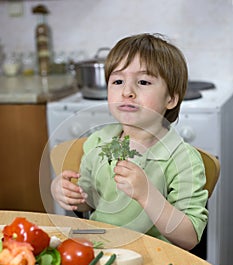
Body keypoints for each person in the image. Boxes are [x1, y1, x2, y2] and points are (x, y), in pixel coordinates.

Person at [51, 33, 208, 250]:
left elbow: (189, 238)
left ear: (171, 98)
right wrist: (69, 194)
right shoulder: (99, 141)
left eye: (143, 82)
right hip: (100, 248)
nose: (127, 92)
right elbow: (90, 200)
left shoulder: (183, 158)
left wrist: (147, 195)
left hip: (154, 258)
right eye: (117, 81)